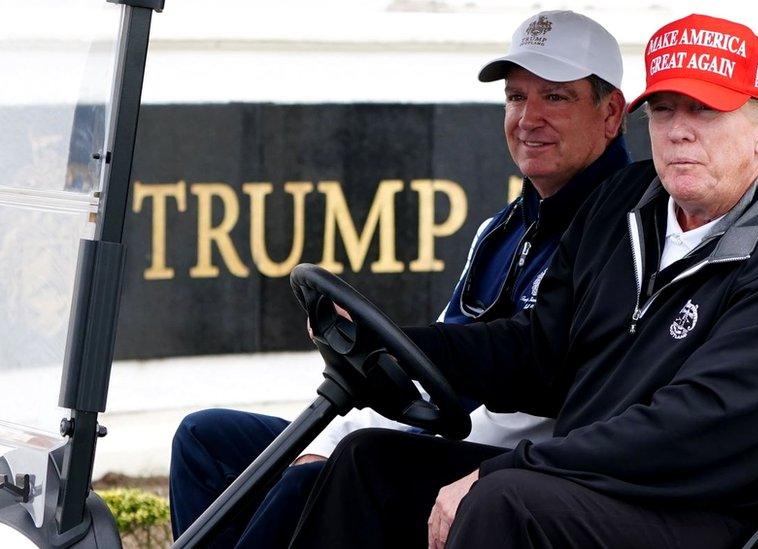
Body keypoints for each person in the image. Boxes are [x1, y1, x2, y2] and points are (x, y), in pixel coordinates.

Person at [291, 13, 758, 549]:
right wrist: (406, 343)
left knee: (504, 502)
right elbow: (538, 352)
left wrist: (511, 467)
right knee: (369, 460)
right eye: (666, 109)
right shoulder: (626, 204)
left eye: (705, 110)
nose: (678, 131)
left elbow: (693, 432)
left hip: (734, 514)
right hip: (613, 486)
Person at [168, 10, 630, 547]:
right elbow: (432, 357)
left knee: (317, 478)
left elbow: (527, 374)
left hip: (512, 468)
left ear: (611, 113)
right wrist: (341, 426)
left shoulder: (618, 232)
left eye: (555, 97)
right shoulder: (502, 230)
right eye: (515, 97)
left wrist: (345, 440)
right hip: (424, 437)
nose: (527, 118)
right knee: (205, 438)